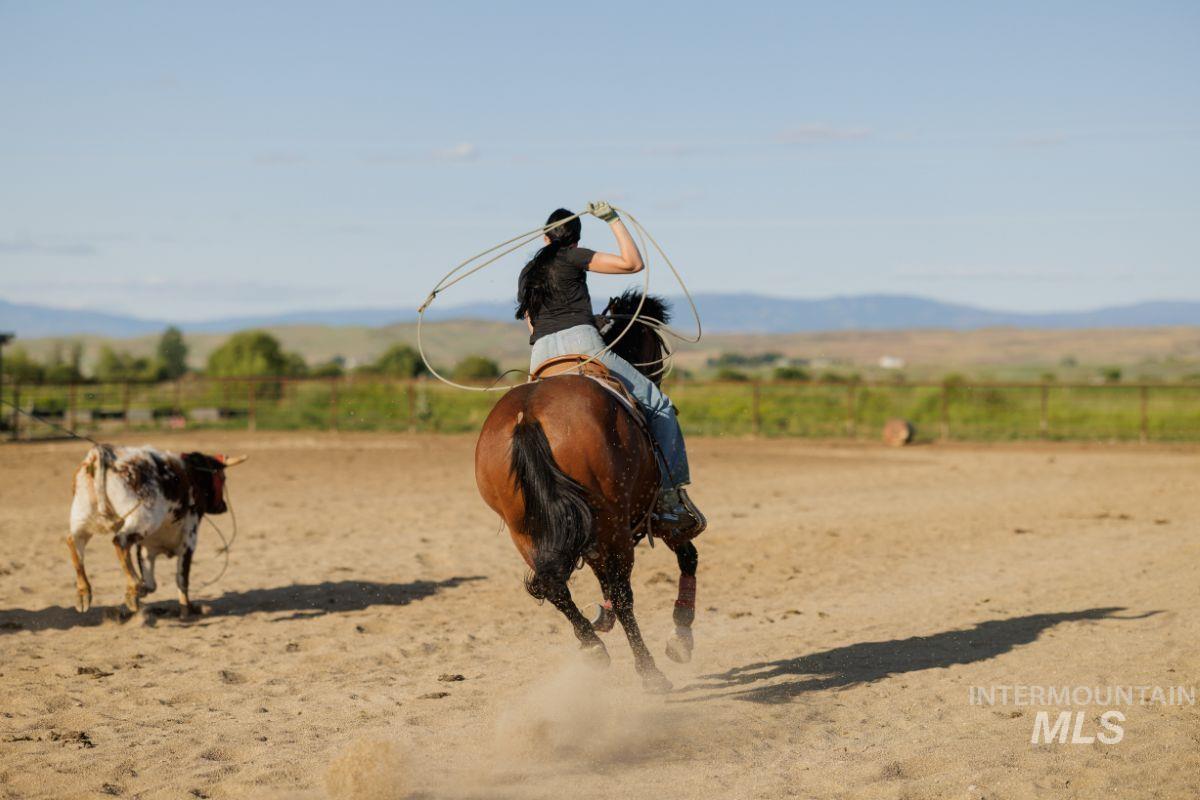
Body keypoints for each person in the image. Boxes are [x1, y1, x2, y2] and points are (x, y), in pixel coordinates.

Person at [516, 202, 705, 538]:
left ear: (545, 238)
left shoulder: (528, 273)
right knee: (658, 404)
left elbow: (532, 325)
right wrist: (613, 220)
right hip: (583, 346)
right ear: (573, 241)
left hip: (540, 355)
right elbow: (633, 264)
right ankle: (669, 499)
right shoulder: (573, 256)